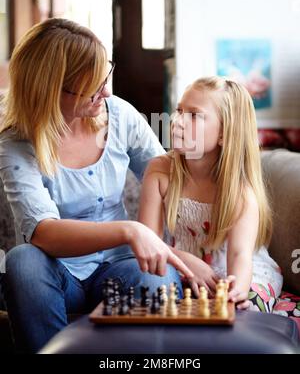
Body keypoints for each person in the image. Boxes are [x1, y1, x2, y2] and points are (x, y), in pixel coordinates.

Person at [0, 18, 193, 353]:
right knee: (22, 261)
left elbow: (170, 180)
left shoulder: (119, 115)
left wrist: (181, 251)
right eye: (92, 85)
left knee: (157, 277)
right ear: (50, 90)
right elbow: (44, 233)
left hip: (124, 267)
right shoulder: (16, 144)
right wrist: (130, 230)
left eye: (106, 75)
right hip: (60, 275)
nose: (106, 92)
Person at [138, 76, 283, 311]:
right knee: (156, 297)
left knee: (242, 309)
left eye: (194, 115)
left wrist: (237, 291)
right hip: (181, 265)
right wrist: (188, 262)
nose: (177, 121)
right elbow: (147, 242)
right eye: (179, 110)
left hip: (239, 272)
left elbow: (239, 256)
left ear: (224, 133)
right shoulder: (159, 170)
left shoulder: (239, 193)